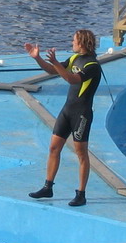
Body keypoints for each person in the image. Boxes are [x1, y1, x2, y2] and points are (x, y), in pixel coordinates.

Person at [24, 29, 102, 207]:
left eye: (74, 40)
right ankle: (48, 187)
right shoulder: (74, 59)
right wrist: (38, 58)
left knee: (81, 153)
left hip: (81, 114)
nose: (72, 43)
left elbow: (72, 79)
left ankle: (81, 194)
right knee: (53, 148)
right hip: (67, 111)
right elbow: (53, 71)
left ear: (82, 42)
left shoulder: (92, 65)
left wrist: (56, 62)